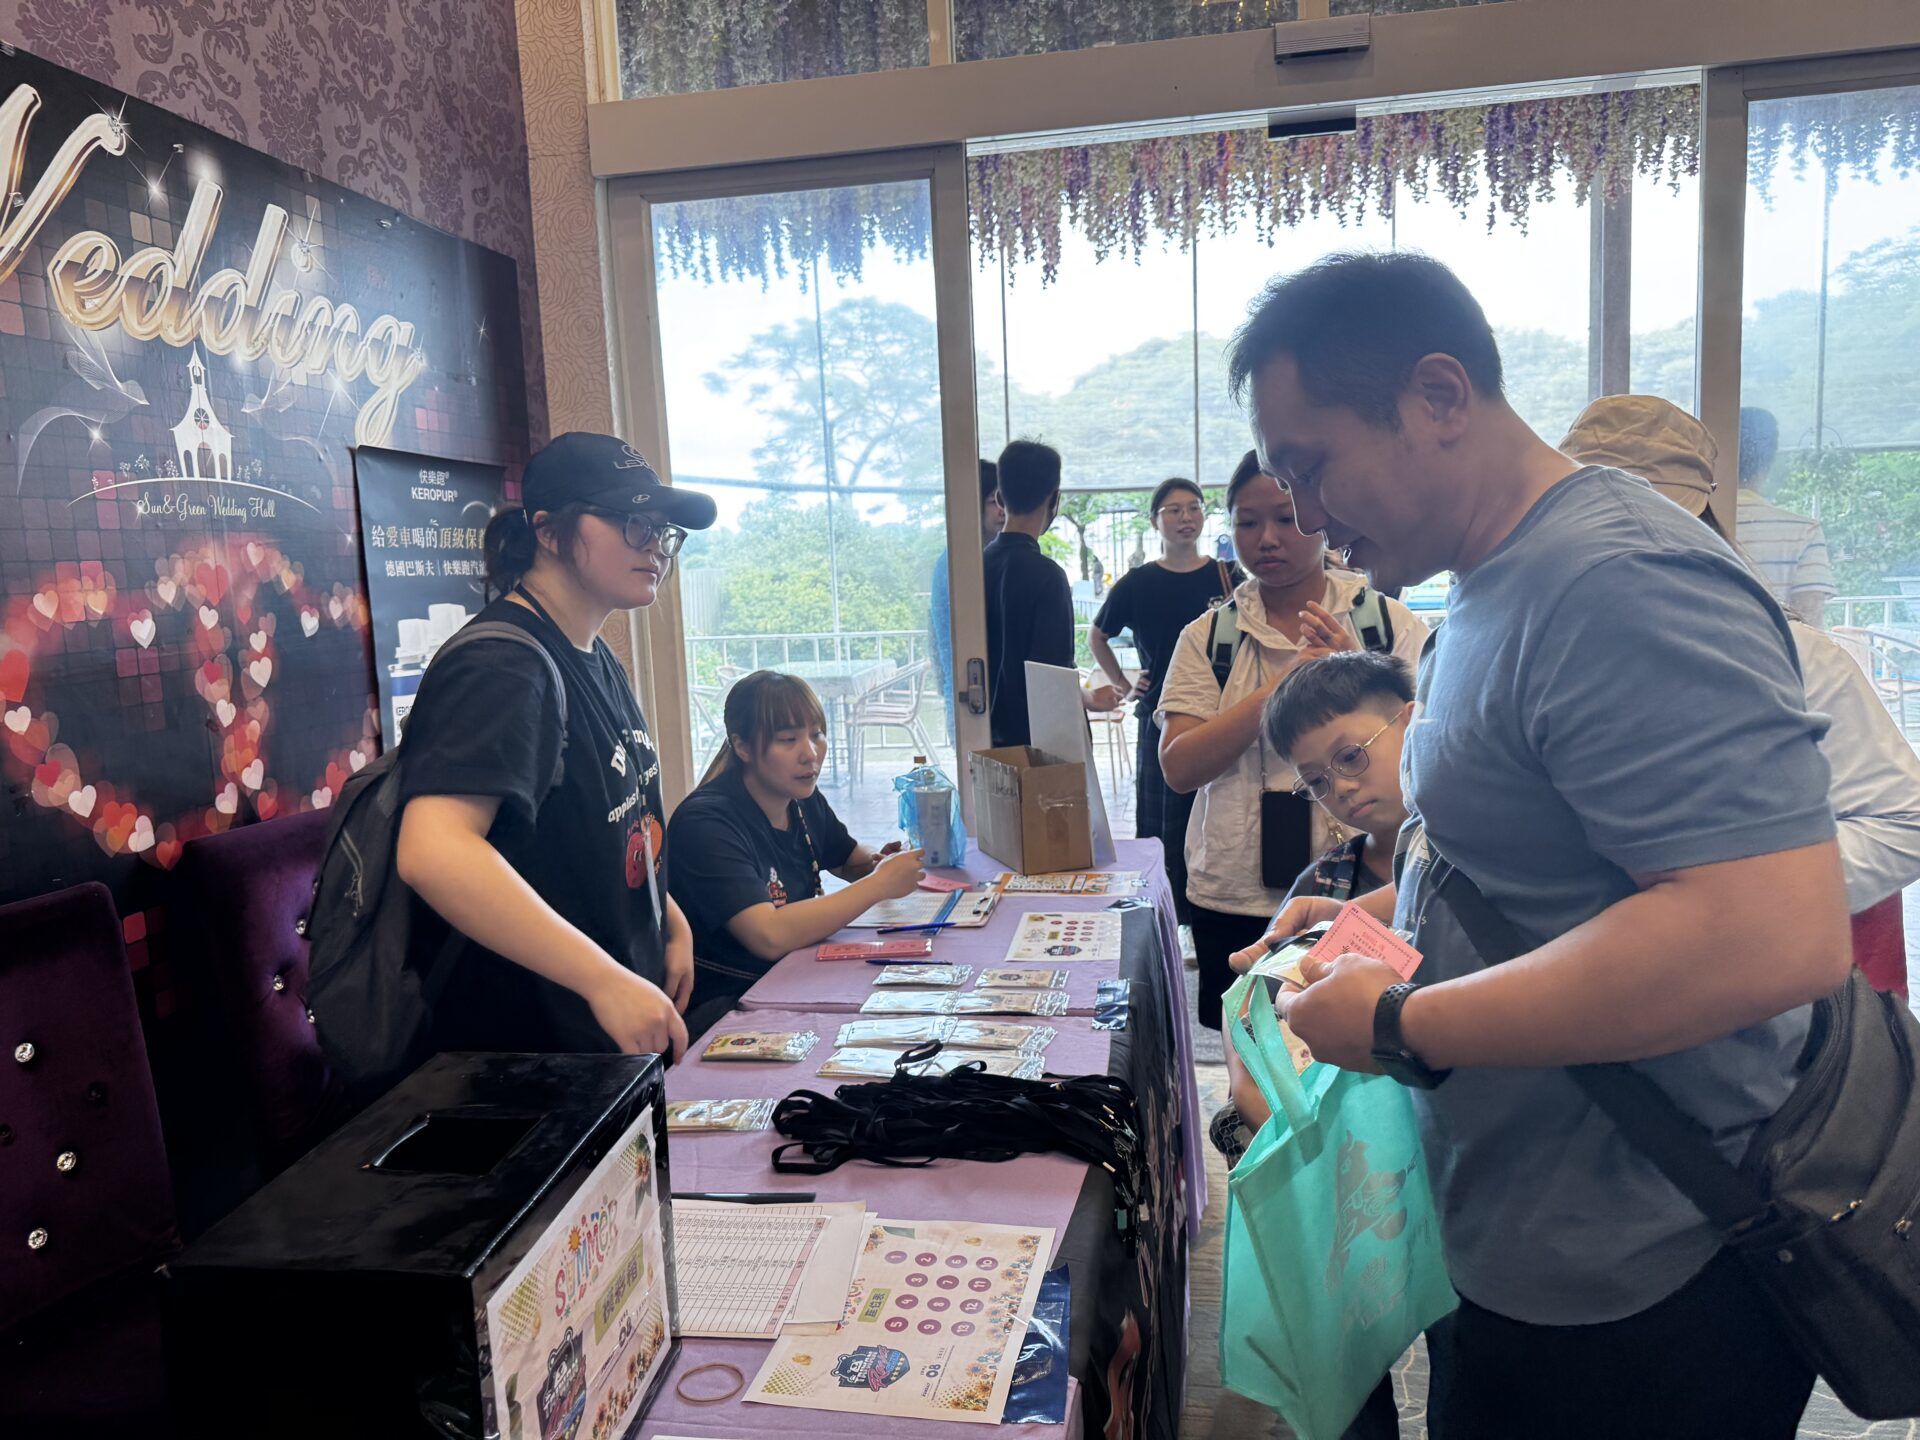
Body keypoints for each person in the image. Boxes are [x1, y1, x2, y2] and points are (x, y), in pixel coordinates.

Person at [1229, 253, 1849, 1438]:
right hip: (1533, 1241)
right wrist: (1380, 922)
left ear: (1438, 396)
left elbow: (1770, 934)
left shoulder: (1617, 579)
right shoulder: (1490, 582)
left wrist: (1401, 1025)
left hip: (1650, 1276)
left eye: (1311, 468)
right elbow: (1539, 864)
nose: (1303, 517)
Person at [1562, 393, 1920, 998]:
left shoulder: (1796, 658)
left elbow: (1903, 819)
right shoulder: (1546, 655)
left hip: (1782, 995)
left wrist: (1732, 898)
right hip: (1608, 982)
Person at [390, 432, 714, 1063]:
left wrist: (669, 919)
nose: (655, 546)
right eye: (632, 523)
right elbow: (433, 851)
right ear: (548, 530)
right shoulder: (503, 665)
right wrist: (604, 980)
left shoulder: (592, 654)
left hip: (605, 1037)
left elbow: (595, 838)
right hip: (527, 1053)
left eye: (663, 530)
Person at [1215, 650, 1416, 1440]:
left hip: (1442, 1154)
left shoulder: (1476, 853)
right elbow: (1261, 1008)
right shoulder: (1324, 883)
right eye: (1319, 782)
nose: (1343, 788)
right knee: (1346, 1338)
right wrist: (1249, 1081)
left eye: (1353, 756)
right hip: (1348, 1155)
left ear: (1415, 721)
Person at [1156, 452, 1424, 1031]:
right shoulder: (1209, 637)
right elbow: (1178, 767)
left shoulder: (1386, 623)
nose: (1268, 539)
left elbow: (1429, 741)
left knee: (1358, 1042)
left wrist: (1351, 675)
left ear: (1318, 514)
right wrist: (1283, 688)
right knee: (1247, 1035)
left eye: (1285, 518)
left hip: (1368, 879)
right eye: (1248, 522)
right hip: (1234, 888)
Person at [668, 670, 927, 1037]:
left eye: (817, 734)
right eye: (788, 739)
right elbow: (768, 935)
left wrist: (876, 863)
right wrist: (879, 885)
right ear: (742, 747)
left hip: (795, 979)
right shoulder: (705, 822)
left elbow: (847, 857)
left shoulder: (800, 797)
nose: (810, 754)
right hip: (726, 1006)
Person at [1088, 477, 1239, 924]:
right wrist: (1123, 683)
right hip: (1161, 717)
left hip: (1222, 717)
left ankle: (1206, 915)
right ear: (1155, 520)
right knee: (1161, 828)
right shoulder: (1139, 582)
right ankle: (1163, 919)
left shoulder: (1228, 576)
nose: (1185, 518)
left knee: (1215, 819)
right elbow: (1098, 635)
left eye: (1194, 507)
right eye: (1173, 510)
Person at [982, 439, 1120, 747]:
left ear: (1000, 497)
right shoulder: (1048, 576)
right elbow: (1053, 677)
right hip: (1035, 746)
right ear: (1055, 499)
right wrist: (1090, 699)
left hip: (985, 739)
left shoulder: (977, 567)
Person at [1736, 405, 1836, 626]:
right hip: (1775, 648)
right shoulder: (1804, 532)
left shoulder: (1691, 524)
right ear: (1770, 460)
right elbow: (1809, 622)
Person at [931, 460, 1006, 739]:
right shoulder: (961, 562)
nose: (1002, 510)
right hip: (972, 701)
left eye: (1004, 500)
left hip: (973, 699)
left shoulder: (973, 556)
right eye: (993, 501)